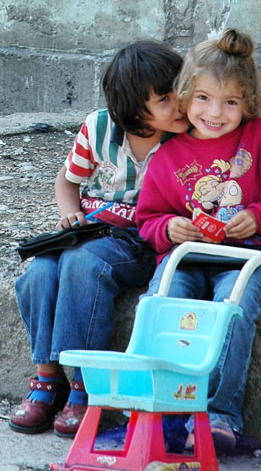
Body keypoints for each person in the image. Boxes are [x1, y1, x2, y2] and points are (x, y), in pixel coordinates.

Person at [136, 28, 261, 453]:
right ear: (184, 95)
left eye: (230, 102)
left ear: (247, 102)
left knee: (229, 308)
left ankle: (218, 415)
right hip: (189, 256)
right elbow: (147, 219)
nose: (215, 112)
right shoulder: (170, 155)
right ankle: (160, 410)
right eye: (203, 99)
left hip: (253, 258)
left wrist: (257, 217)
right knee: (162, 301)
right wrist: (169, 229)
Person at [10, 39, 189, 436]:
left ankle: (84, 385)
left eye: (181, 91)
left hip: (138, 242)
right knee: (40, 271)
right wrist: (69, 213)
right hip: (89, 230)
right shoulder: (99, 127)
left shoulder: (186, 140)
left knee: (84, 265)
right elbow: (66, 180)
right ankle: (47, 376)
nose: (179, 104)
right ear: (133, 109)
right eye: (164, 99)